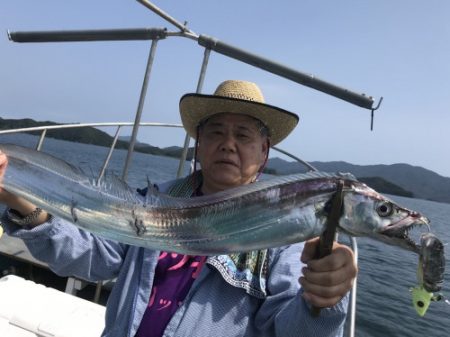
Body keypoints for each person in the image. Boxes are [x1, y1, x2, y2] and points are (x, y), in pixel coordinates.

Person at [0, 80, 357, 337]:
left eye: (243, 135)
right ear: (199, 144)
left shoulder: (286, 233)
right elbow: (95, 258)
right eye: (216, 132)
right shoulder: (158, 201)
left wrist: (323, 299)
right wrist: (25, 206)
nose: (228, 145)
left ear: (264, 151)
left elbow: (290, 330)